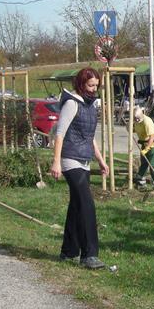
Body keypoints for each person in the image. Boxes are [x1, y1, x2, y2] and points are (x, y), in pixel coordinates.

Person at [50, 67, 110, 270]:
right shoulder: (71, 103)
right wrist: (56, 161)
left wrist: (101, 160)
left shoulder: (90, 105)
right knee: (87, 205)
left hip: (84, 160)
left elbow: (90, 137)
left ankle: (68, 251)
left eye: (96, 86)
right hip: (69, 160)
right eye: (91, 85)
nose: (94, 89)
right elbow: (60, 134)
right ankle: (89, 255)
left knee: (76, 207)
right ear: (81, 83)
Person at [132, 107, 154, 187]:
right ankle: (141, 182)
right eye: (135, 118)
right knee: (144, 163)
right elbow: (135, 129)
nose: (136, 120)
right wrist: (130, 128)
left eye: (138, 118)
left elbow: (152, 136)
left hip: (152, 145)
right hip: (144, 144)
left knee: (152, 164)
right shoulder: (135, 121)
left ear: (141, 115)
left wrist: (147, 148)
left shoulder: (147, 121)